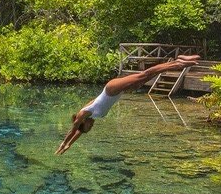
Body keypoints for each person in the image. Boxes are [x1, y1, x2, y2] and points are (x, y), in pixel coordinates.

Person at [56, 54, 202, 154]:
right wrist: (70, 145)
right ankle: (178, 61)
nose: (91, 126)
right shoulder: (91, 117)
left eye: (89, 127)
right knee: (146, 78)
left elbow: (74, 129)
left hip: (111, 89)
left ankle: (179, 63)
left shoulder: (84, 113)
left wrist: (63, 143)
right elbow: (79, 132)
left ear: (83, 122)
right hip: (120, 92)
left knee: (144, 74)